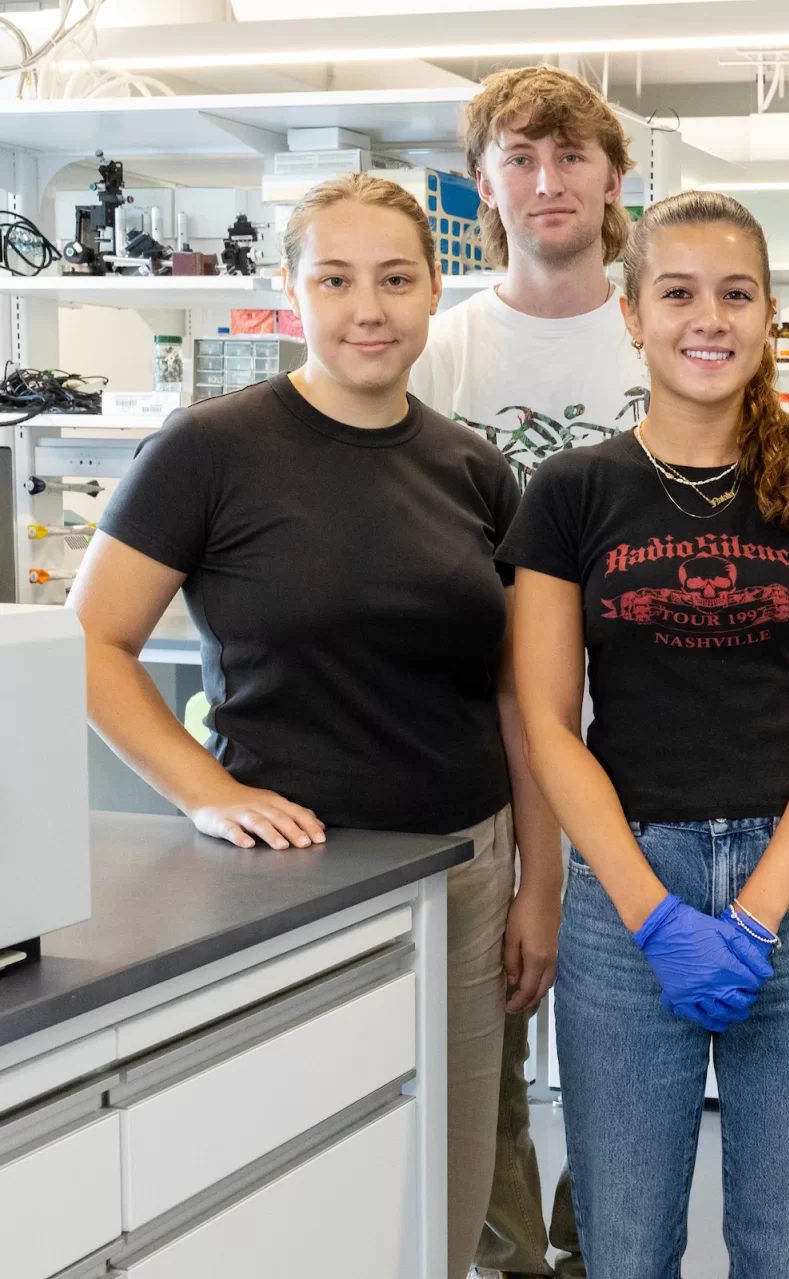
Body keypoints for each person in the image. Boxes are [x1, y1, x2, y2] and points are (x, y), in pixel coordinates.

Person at [72, 173, 551, 1279]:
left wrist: (540, 883)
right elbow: (91, 645)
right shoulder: (207, 451)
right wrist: (207, 790)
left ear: (436, 293)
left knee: (449, 1177)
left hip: (468, 868)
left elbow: (520, 696)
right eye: (334, 280)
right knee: (309, 1175)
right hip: (296, 879)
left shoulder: (476, 470)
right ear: (293, 293)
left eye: (395, 278)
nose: (367, 309)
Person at [502, 190, 789, 1278]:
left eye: (734, 293)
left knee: (786, 1245)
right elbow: (547, 719)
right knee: (626, 1245)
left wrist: (759, 913)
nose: (705, 317)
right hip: (627, 899)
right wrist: (653, 913)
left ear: (767, 313)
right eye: (675, 292)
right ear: (631, 314)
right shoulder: (570, 492)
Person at [409, 64, 646, 1279]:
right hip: (489, 748)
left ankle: (599, 1241)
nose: (545, 182)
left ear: (613, 178)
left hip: (651, 749)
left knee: (619, 1048)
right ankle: (510, 1257)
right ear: (483, 183)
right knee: (494, 1036)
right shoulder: (439, 349)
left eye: (569, 158)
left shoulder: (661, 327)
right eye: (518, 158)